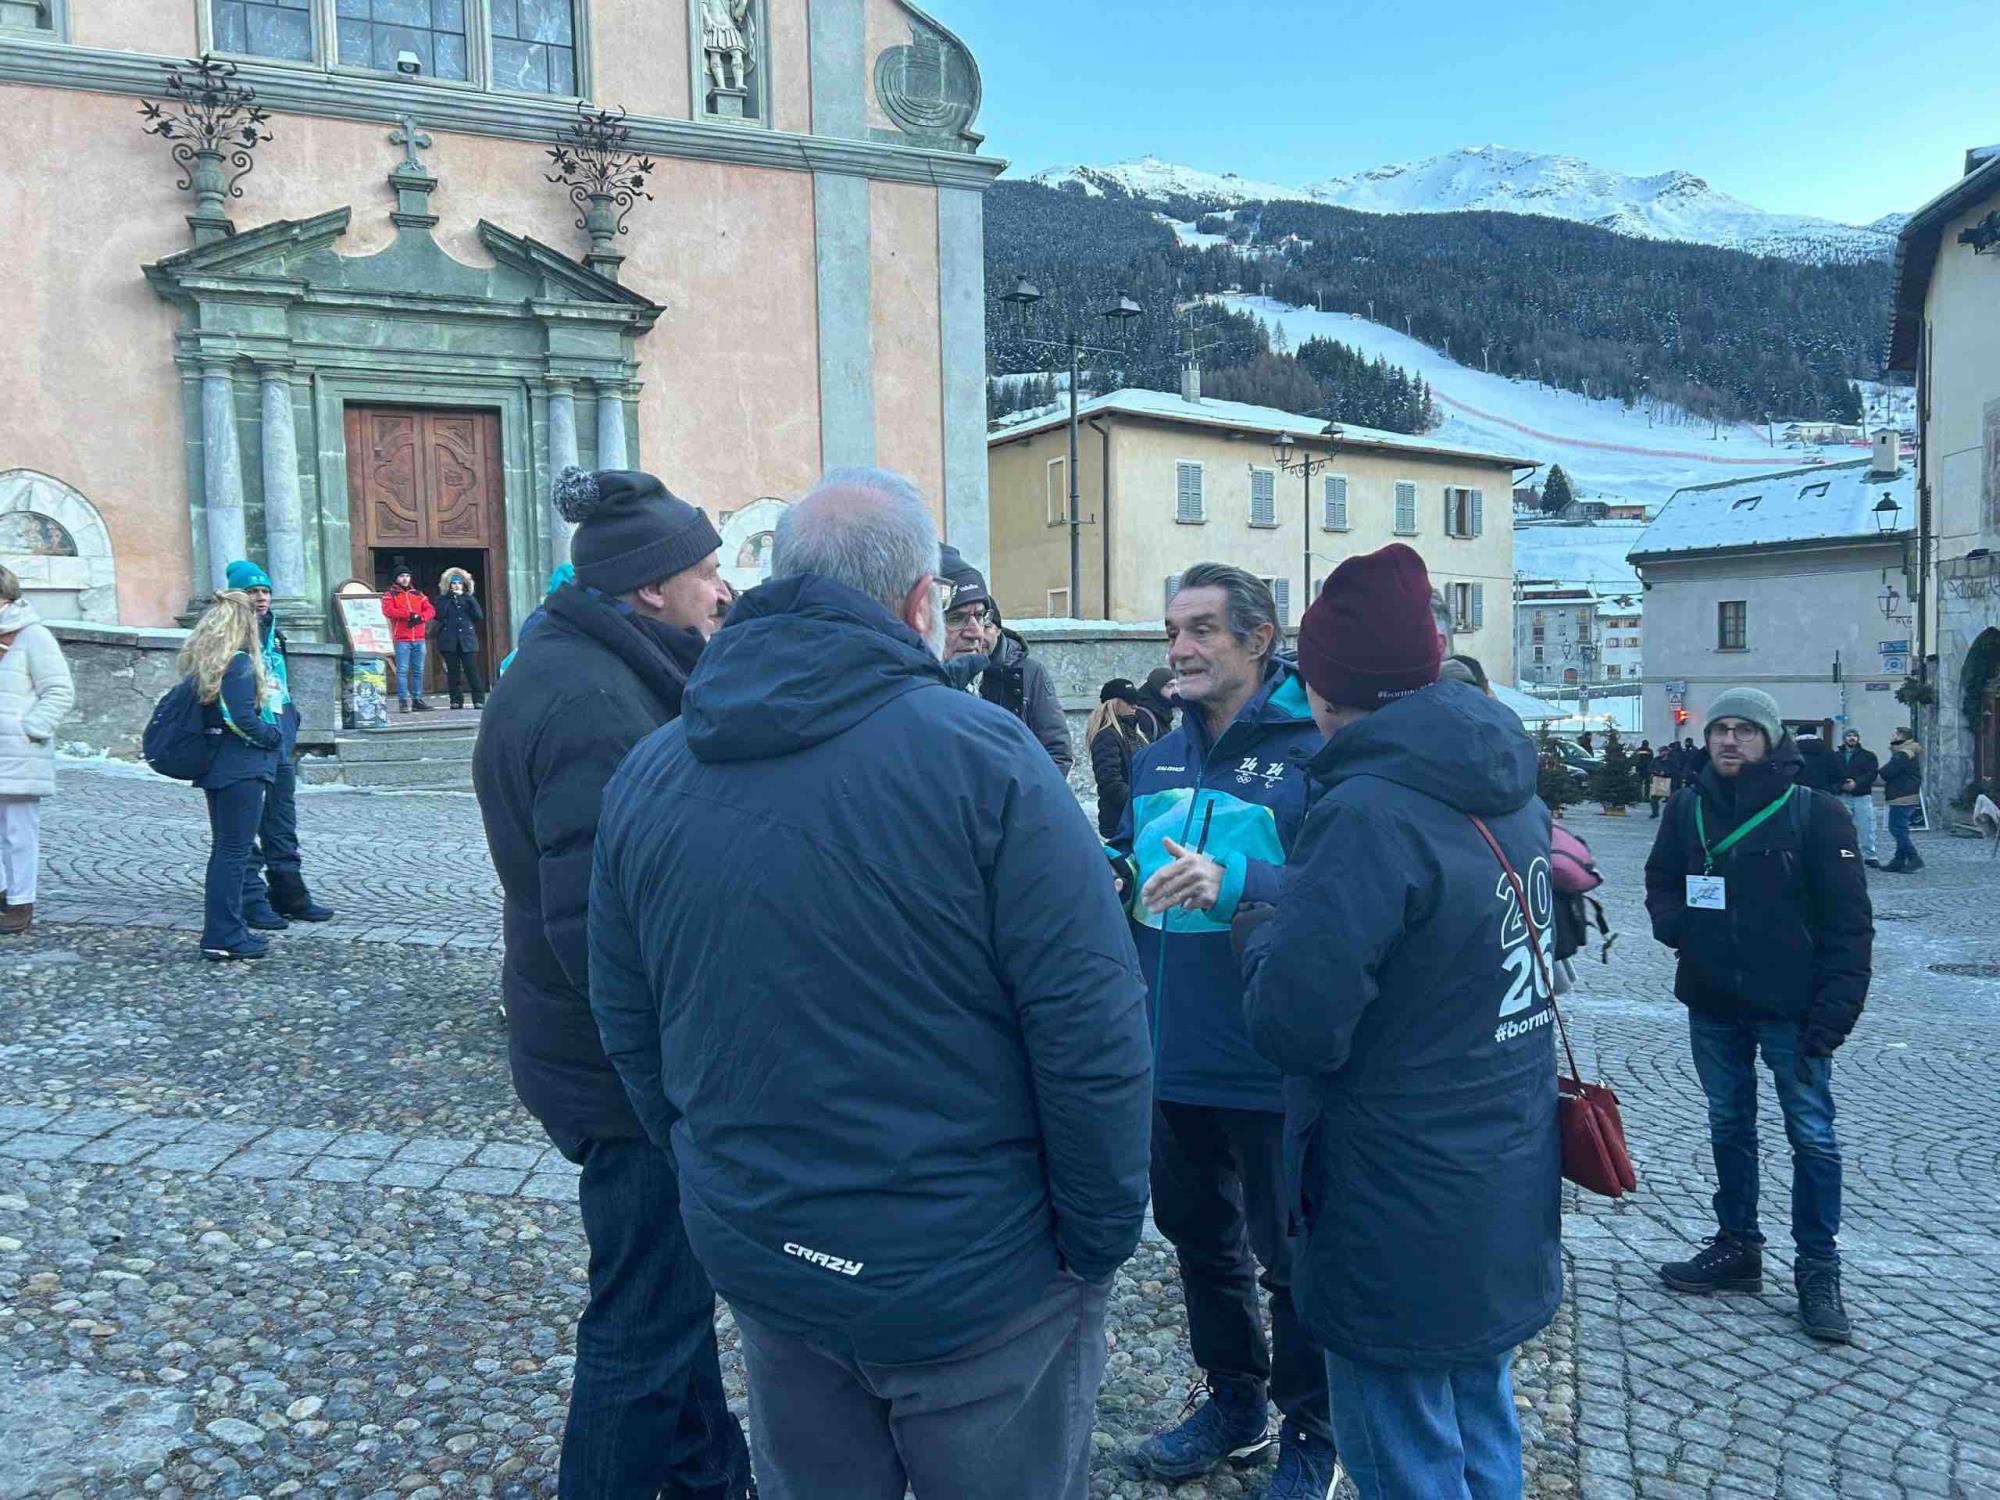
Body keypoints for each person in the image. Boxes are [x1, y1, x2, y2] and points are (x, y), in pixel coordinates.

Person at [588, 468, 1152, 1500]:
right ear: (917, 603)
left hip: (769, 1249)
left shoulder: (654, 769)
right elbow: (1090, 1033)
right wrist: (1097, 1236)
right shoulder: (988, 763)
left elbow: (629, 1026)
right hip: (976, 1280)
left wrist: (712, 1175)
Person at [1237, 543, 1560, 1500]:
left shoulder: (1368, 808)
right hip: (1497, 1174)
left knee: (1401, 1462)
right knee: (1478, 1423)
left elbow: (1298, 1025)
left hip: (1394, 1198)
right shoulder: (1508, 783)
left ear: (1330, 686)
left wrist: (1258, 932)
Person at [471, 465, 750, 1500]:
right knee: (640, 1321)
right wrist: (669, 1072)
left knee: (666, 1298)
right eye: (707, 569)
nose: (723, 589)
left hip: (597, 1059)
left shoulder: (594, 666)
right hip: (620, 1075)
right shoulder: (592, 700)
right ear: (648, 588)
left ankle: (709, 1476)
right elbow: (600, 928)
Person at [1112, 563, 1338, 1497]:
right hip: (1173, 1053)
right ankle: (1235, 1403)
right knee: (1200, 1246)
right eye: (1173, 631)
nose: (1180, 649)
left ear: (1259, 637)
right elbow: (1134, 869)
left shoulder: (1317, 748)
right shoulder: (1155, 755)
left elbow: (1345, 892)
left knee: (1294, 1263)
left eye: (1202, 629)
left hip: (1270, 1058)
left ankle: (1313, 1431)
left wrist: (1241, 884)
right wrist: (1111, 875)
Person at [1644, 687, 1871, 1344]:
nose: (1730, 741)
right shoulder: (1688, 807)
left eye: (1745, 730)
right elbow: (1661, 878)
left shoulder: (1815, 813)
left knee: (1812, 1137)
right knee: (1729, 1126)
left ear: (1770, 740)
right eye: (1721, 730)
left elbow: (1850, 925)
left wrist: (1834, 1013)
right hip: (1713, 1001)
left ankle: (1817, 1269)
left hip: (1791, 1010)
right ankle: (1738, 1246)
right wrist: (1676, 927)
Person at [224, 561, 335, 931]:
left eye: (265, 591)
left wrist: (289, 720)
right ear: (237, 595)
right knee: (243, 825)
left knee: (281, 819)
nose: (260, 598)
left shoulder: (275, 633)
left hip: (277, 737)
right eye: (252, 591)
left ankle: (289, 892)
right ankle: (251, 897)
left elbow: (280, 681)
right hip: (243, 740)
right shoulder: (226, 635)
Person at [180, 591, 285, 961]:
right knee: (233, 853)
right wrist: (273, 737)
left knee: (225, 851)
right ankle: (223, 933)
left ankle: (224, 929)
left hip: (219, 767)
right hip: (240, 768)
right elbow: (241, 718)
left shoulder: (209, 661)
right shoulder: (239, 663)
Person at [938, 546, 1073, 772]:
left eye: (981, 617)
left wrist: (1023, 803)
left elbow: (1057, 751)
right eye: (956, 617)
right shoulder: (913, 692)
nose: (976, 633)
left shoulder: (1027, 672)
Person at [0, 565, 76, 937]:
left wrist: (30, 728)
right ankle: (2, 893)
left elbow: (59, 691)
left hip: (18, 751)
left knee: (18, 832)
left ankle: (21, 903)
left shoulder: (34, 636)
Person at [1088, 679, 1152, 839]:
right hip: (1121, 822)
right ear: (1113, 703)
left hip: (1136, 818)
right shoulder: (1107, 736)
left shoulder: (1135, 734)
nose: (1135, 705)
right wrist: (1141, 801)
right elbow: (1110, 783)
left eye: (1136, 701)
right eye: (1129, 700)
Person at [383, 567, 436, 712]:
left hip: (419, 638)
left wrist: (420, 617)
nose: (405, 579)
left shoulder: (418, 594)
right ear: (396, 579)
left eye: (407, 576)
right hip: (402, 639)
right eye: (401, 576)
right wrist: (408, 614)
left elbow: (431, 610)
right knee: (402, 671)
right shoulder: (390, 594)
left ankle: (417, 699)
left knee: (418, 670)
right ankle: (403, 702)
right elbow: (388, 611)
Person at [433, 572, 487, 709]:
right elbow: (439, 615)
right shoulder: (442, 600)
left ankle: (478, 699)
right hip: (449, 640)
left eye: (459, 583)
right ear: (449, 586)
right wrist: (450, 598)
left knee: (472, 670)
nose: (456, 586)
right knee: (453, 671)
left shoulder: (468, 599)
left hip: (467, 640)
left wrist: (467, 598)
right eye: (454, 583)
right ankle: (456, 700)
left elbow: (478, 615)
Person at [1832, 729, 1881, 866]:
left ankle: (1870, 855)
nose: (1852, 738)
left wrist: (1857, 783)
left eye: (1854, 736)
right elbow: (1831, 773)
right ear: (1844, 738)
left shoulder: (1868, 756)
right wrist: (1842, 784)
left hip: (1862, 795)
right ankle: (1844, 853)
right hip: (1842, 795)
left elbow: (1871, 773)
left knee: (1867, 826)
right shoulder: (1836, 756)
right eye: (1849, 735)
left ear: (1858, 738)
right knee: (1842, 827)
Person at [1881, 727, 1924, 872]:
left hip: (1901, 795)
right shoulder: (1908, 751)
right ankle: (1898, 859)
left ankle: (1913, 858)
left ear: (1900, 736)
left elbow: (1888, 772)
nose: (1891, 736)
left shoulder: (1903, 754)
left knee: (1897, 829)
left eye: (1894, 734)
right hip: (1907, 794)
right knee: (1901, 828)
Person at [1134, 664, 1178, 740]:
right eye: (1170, 686)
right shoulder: (1142, 714)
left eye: (1178, 685)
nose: (1176, 690)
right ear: (1157, 688)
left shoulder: (1163, 711)